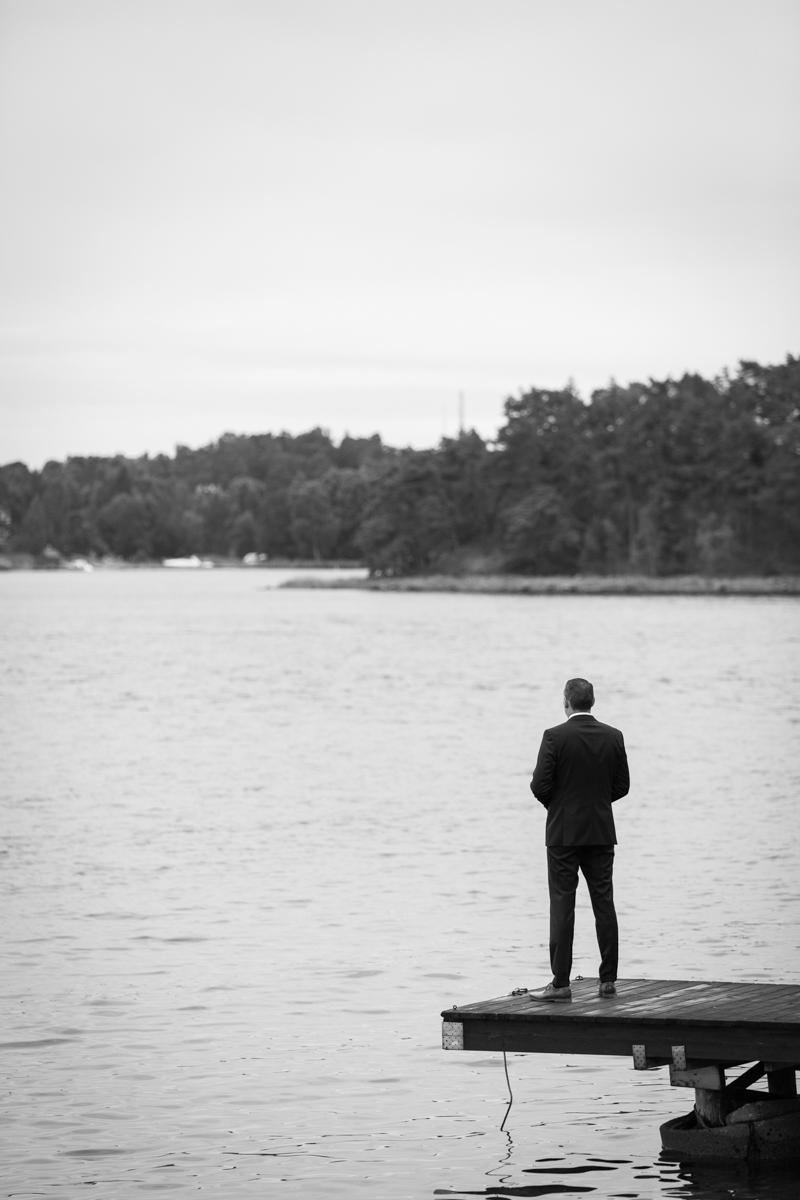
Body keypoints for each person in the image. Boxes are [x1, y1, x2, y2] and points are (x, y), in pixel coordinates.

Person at [527, 677, 629, 1001]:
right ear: (592, 701)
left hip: (562, 834)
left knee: (562, 905)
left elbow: (539, 786)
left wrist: (559, 807)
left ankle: (560, 984)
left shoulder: (554, 736)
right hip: (600, 831)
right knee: (604, 903)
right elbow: (622, 785)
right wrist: (595, 802)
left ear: (566, 702)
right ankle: (608, 979)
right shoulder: (613, 736)